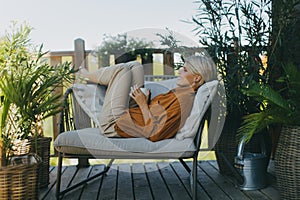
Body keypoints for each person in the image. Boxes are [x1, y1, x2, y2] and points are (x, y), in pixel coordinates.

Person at [78, 54, 217, 142]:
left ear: (197, 78)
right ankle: (96, 77)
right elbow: (159, 114)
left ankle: (86, 75)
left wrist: (143, 104)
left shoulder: (185, 101)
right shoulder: (181, 92)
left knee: (122, 70)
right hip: (131, 116)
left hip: (115, 123)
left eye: (185, 70)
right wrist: (145, 100)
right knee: (135, 66)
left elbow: (156, 134)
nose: (179, 71)